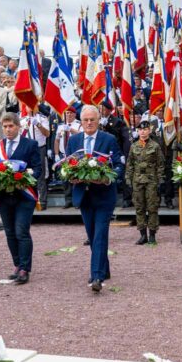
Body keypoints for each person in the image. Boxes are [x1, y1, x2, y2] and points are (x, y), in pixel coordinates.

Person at [67, 105, 123, 292]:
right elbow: (66, 166)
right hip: (83, 195)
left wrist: (106, 179)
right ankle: (104, 268)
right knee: (92, 235)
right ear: (80, 122)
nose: (89, 123)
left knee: (99, 235)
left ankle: (97, 275)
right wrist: (70, 177)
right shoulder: (74, 140)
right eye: (85, 120)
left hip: (104, 196)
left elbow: (118, 167)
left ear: (99, 120)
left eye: (92, 119)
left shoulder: (109, 139)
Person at [0, 113, 43, 285]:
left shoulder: (30, 144)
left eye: (11, 126)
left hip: (24, 194)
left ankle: (24, 268)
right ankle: (17, 264)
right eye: (5, 126)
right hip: (4, 194)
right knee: (10, 232)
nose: (7, 129)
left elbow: (37, 169)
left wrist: (26, 179)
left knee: (21, 231)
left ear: (18, 127)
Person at [124, 120, 163, 245]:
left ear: (149, 131)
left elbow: (160, 165)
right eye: (140, 129)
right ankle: (142, 235)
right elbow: (129, 164)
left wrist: (160, 180)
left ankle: (152, 235)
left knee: (152, 208)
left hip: (151, 181)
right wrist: (128, 179)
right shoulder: (133, 146)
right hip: (137, 181)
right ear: (137, 131)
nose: (143, 132)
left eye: (145, 129)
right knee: (139, 208)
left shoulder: (155, 146)